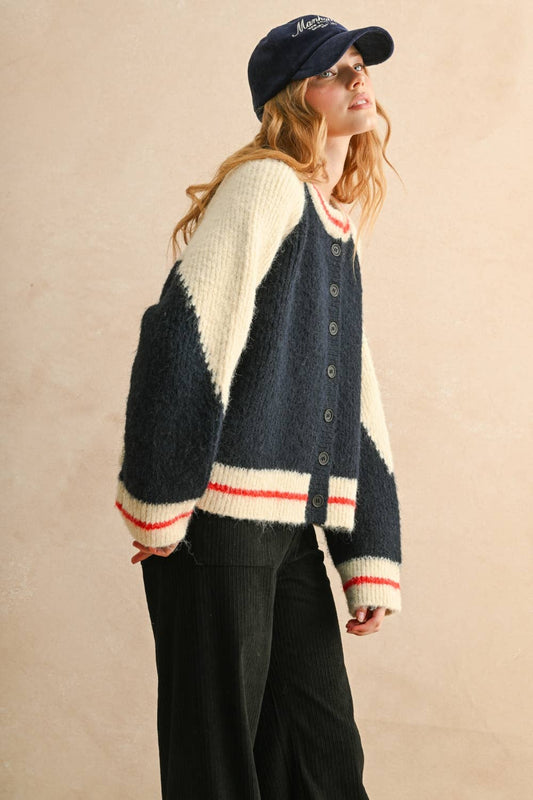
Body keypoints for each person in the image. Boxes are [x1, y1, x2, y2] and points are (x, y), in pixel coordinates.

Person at [115, 13, 403, 800]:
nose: (357, 79)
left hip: (284, 528)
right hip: (217, 524)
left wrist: (367, 556)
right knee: (218, 768)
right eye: (334, 69)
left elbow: (352, 395)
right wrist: (158, 504)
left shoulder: (332, 222)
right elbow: (184, 331)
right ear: (294, 96)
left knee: (322, 760)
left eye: (360, 64)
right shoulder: (267, 184)